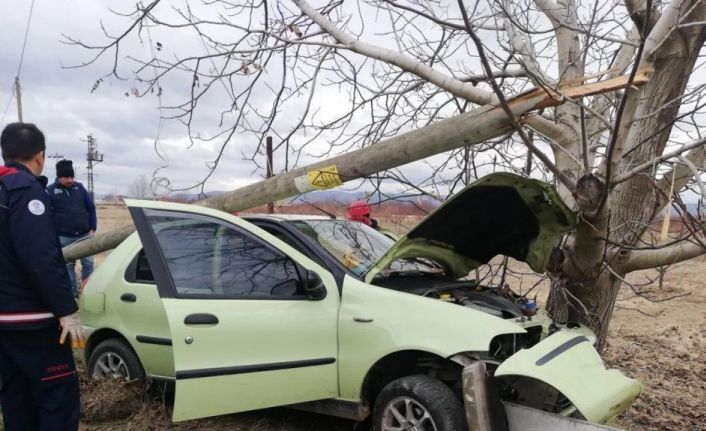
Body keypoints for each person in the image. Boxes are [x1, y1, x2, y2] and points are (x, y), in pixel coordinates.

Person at [0, 123, 84, 430]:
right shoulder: (26, 192)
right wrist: (66, 309)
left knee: (17, 405)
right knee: (56, 405)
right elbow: (41, 259)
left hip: (5, 324)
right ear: (40, 157)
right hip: (34, 323)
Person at [46, 159, 97, 298]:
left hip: (84, 235)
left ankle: (87, 292)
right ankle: (72, 294)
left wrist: (93, 228)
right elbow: (47, 215)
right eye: (66, 177)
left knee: (88, 265)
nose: (70, 180)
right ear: (59, 177)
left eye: (72, 177)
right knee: (68, 267)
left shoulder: (80, 188)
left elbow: (91, 208)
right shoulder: (50, 191)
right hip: (63, 237)